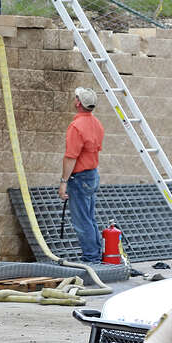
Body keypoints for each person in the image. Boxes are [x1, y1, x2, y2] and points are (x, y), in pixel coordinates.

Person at [58, 86, 105, 263]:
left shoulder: (76, 127)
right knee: (89, 218)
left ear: (78, 103)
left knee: (82, 221)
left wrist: (63, 182)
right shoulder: (97, 124)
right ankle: (96, 254)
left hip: (79, 178)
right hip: (92, 175)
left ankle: (91, 258)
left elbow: (70, 157)